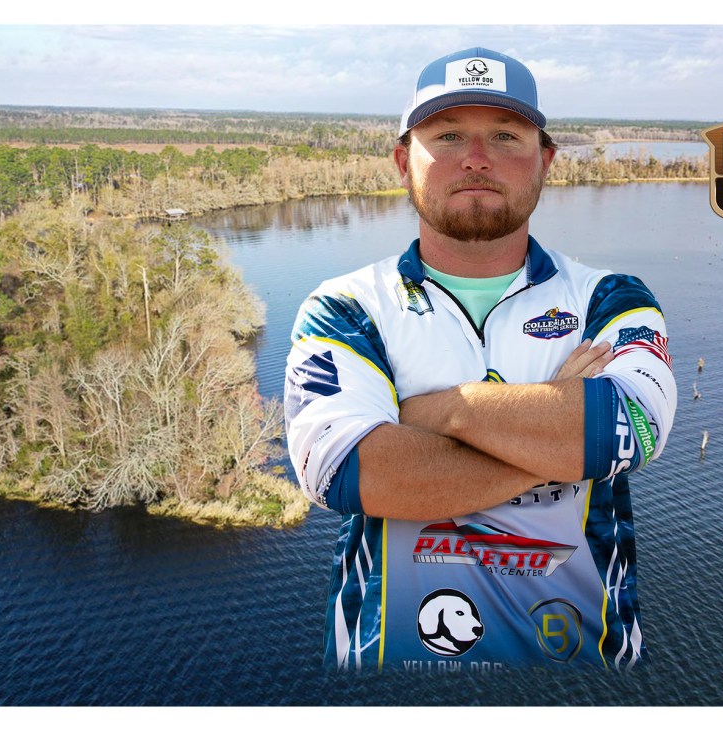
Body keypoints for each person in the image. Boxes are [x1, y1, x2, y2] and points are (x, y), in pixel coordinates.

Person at [285, 47, 677, 673]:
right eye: (446, 136)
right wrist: (557, 430)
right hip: (386, 669)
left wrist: (436, 411)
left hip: (585, 669)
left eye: (504, 135)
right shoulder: (346, 307)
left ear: (545, 161)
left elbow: (630, 430)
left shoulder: (610, 298)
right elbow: (347, 474)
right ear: (402, 162)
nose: (475, 157)